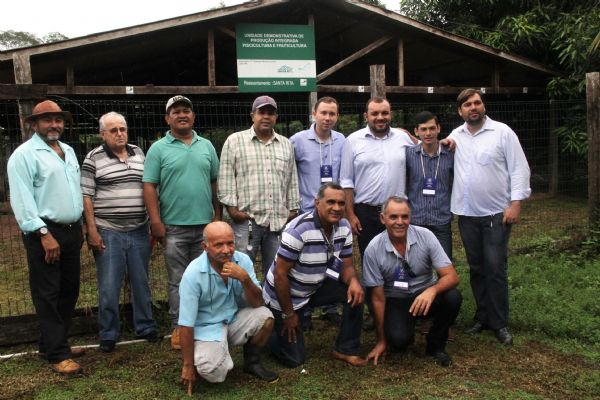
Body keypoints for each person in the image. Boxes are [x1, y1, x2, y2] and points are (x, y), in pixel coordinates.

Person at [7, 100, 85, 374]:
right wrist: (42, 232)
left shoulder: (68, 151)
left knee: (69, 289)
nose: (54, 125)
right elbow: (21, 198)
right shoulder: (24, 155)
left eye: (58, 120)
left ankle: (53, 342)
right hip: (45, 232)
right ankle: (57, 354)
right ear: (34, 124)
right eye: (47, 120)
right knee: (48, 292)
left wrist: (81, 226)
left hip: (71, 231)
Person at [449, 88, 531, 345]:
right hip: (467, 214)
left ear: (483, 106)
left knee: (494, 267)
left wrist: (515, 203)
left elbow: (519, 168)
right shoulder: (456, 136)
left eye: (477, 103)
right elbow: (432, 144)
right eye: (468, 105)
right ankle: (482, 316)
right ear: (460, 111)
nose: (473, 107)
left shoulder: (502, 132)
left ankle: (499, 322)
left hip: (497, 213)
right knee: (476, 267)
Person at [143, 95, 221, 349]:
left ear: (193, 116)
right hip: (173, 227)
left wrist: (217, 217)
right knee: (178, 278)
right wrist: (155, 221)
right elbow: (149, 186)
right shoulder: (158, 149)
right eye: (175, 111)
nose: (182, 115)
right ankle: (180, 325)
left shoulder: (206, 146)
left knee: (208, 275)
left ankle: (206, 322)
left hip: (205, 227)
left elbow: (214, 183)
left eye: (186, 110)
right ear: (168, 118)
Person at [263, 183, 365, 367]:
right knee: (295, 359)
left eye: (341, 203)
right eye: (331, 202)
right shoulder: (299, 230)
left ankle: (345, 349)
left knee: (357, 291)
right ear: (317, 202)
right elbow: (280, 276)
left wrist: (354, 282)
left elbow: (347, 266)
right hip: (286, 297)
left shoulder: (344, 227)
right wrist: (289, 314)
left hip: (315, 286)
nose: (336, 208)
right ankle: (267, 331)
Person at [81, 112, 157, 353]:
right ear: (102, 134)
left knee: (141, 282)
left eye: (122, 129)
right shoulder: (93, 159)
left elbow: (148, 188)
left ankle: (145, 327)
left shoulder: (139, 154)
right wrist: (92, 230)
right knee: (109, 285)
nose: (119, 134)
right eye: (113, 130)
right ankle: (109, 333)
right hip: (108, 231)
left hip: (138, 229)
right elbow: (86, 197)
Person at [179, 222, 278, 392]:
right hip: (206, 329)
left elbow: (257, 303)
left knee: (265, 317)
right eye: (218, 245)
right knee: (214, 373)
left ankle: (251, 363)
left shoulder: (243, 260)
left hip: (232, 319)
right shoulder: (193, 273)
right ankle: (205, 352)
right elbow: (186, 324)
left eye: (230, 243)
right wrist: (187, 365)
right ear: (205, 246)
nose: (226, 250)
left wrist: (245, 279)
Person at [363, 197, 461, 367]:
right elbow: (377, 298)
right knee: (399, 342)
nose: (399, 222)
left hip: (425, 295)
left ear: (410, 217)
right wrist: (381, 340)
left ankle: (436, 344)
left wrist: (432, 291)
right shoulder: (373, 249)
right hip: (396, 299)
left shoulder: (426, 236)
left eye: (404, 217)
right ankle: (402, 329)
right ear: (382, 218)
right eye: (393, 217)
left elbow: (452, 276)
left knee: (453, 297)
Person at [218, 95, 299, 277]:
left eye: (271, 113)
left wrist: (292, 210)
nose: (266, 117)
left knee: (277, 273)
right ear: (252, 115)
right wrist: (233, 210)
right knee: (240, 272)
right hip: (247, 220)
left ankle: (271, 306)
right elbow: (226, 177)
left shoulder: (286, 144)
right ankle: (242, 306)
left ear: (276, 117)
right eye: (261, 112)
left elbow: (292, 178)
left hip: (277, 221)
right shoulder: (235, 141)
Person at [289, 96, 346, 327]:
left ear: (337, 116)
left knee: (334, 259)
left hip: (335, 213)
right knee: (303, 263)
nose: (328, 118)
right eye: (324, 113)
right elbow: (289, 174)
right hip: (307, 214)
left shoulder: (342, 141)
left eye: (332, 114)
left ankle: (330, 307)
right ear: (314, 114)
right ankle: (301, 309)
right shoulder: (298, 141)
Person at [340, 96, 417, 258]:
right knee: (370, 257)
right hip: (365, 213)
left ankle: (397, 283)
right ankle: (372, 284)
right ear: (366, 116)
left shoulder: (402, 137)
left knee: (400, 255)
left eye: (385, 113)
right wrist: (351, 214)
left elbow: (426, 151)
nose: (380, 117)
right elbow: (346, 181)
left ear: (391, 115)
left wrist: (413, 136)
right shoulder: (352, 141)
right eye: (375, 113)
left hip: (397, 212)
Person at [405, 111, 454, 259]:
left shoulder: (451, 154)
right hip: (416, 220)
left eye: (432, 128)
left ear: (438, 128)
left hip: (441, 220)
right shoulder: (408, 155)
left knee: (445, 264)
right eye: (423, 129)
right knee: (417, 266)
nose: (428, 133)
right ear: (416, 131)